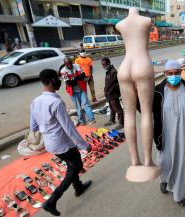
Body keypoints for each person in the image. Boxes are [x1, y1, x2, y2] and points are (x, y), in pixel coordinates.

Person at [30, 69, 92, 216]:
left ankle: (78, 187)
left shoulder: (35, 101)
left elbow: (34, 127)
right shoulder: (56, 102)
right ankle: (52, 200)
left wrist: (47, 126)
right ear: (52, 80)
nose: (60, 81)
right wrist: (84, 145)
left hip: (50, 143)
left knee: (72, 165)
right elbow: (69, 129)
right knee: (76, 166)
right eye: (58, 79)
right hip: (62, 143)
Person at [153, 60, 185, 207]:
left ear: (181, 73)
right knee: (165, 162)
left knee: (182, 165)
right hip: (164, 136)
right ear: (165, 74)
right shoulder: (157, 92)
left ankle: (180, 194)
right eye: (170, 74)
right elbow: (147, 112)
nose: (174, 76)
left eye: (176, 73)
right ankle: (165, 180)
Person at [60, 57, 95, 125]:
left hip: (82, 88)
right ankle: (82, 121)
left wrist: (74, 79)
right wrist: (77, 78)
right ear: (65, 64)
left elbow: (83, 75)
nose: (70, 65)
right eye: (68, 64)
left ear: (72, 62)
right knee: (78, 107)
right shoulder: (63, 71)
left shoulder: (77, 66)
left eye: (70, 63)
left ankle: (91, 119)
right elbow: (69, 83)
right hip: (72, 92)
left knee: (86, 104)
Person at [101, 57, 124, 130]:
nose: (103, 67)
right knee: (111, 107)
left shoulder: (113, 72)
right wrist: (105, 91)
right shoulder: (109, 71)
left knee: (117, 108)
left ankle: (121, 123)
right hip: (109, 94)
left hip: (113, 94)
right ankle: (112, 120)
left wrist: (111, 92)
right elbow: (107, 84)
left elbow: (115, 85)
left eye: (104, 65)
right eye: (102, 65)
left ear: (108, 63)